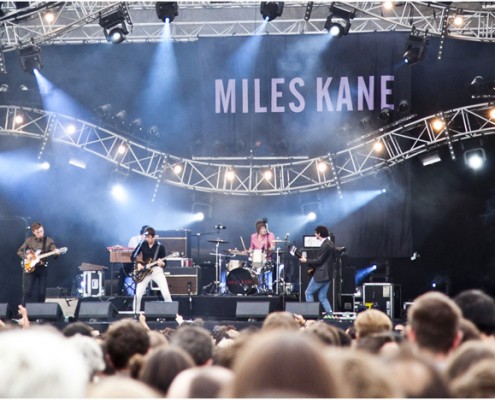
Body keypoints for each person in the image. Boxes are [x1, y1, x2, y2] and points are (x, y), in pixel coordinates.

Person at [17, 222, 62, 305]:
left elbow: (55, 256)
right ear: (34, 232)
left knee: (42, 292)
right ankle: (22, 312)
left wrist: (56, 253)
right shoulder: (29, 240)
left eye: (42, 231)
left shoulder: (48, 241)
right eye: (38, 232)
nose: (40, 234)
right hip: (30, 268)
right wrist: (27, 256)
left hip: (42, 268)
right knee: (27, 292)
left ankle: (40, 314)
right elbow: (19, 251)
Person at [130, 227, 172, 312]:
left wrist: (161, 263)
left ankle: (172, 313)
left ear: (153, 237)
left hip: (157, 271)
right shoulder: (142, 244)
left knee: (166, 293)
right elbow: (133, 256)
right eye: (146, 237)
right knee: (138, 294)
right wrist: (138, 264)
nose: (147, 239)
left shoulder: (160, 247)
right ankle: (135, 313)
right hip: (145, 271)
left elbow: (165, 264)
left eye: (149, 237)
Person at [299, 225, 335, 315]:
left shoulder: (326, 245)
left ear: (319, 234)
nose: (315, 235)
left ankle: (312, 314)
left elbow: (319, 261)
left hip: (321, 275)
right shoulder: (330, 243)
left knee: (308, 292)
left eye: (315, 233)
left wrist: (306, 260)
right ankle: (330, 315)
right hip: (328, 274)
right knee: (322, 297)